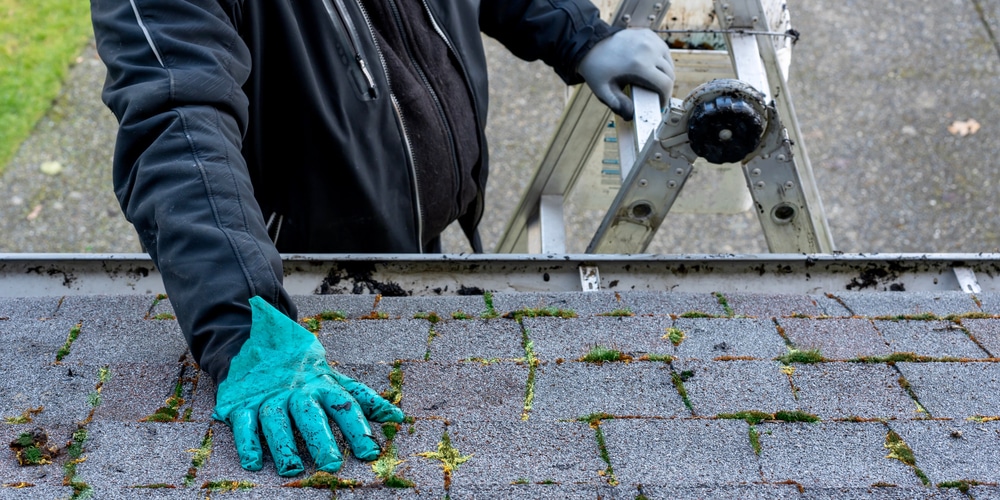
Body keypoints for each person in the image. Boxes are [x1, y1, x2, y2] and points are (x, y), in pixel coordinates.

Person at [89, 0, 674, 476]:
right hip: (293, 288)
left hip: (420, 240)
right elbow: (177, 123)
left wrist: (576, 32)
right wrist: (246, 323)